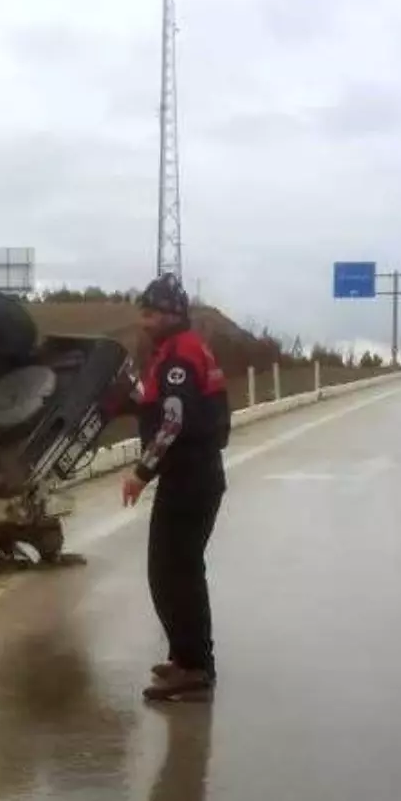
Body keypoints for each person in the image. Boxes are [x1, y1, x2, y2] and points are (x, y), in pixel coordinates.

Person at [119, 273, 231, 702]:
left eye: (150, 314)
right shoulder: (176, 350)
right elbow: (163, 405)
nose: (144, 322)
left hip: (190, 477)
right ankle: (189, 658)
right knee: (178, 571)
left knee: (172, 573)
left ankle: (194, 668)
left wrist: (140, 473)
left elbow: (173, 422)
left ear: (171, 314)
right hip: (193, 474)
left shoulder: (180, 356)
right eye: (142, 313)